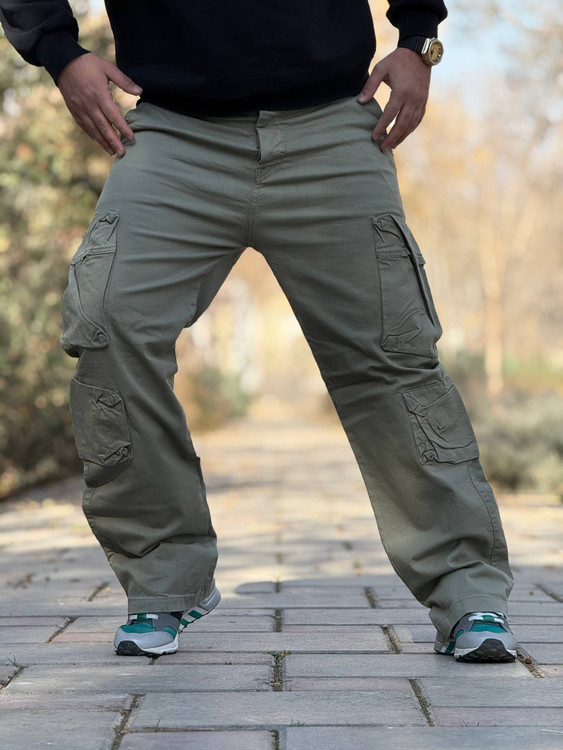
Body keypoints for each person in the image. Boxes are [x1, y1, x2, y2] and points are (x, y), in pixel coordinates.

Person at [0, 0, 518, 662]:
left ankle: (466, 592)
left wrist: (420, 41)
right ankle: (162, 580)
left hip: (333, 123)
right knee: (107, 323)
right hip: (172, 132)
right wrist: (58, 52)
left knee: (392, 354)